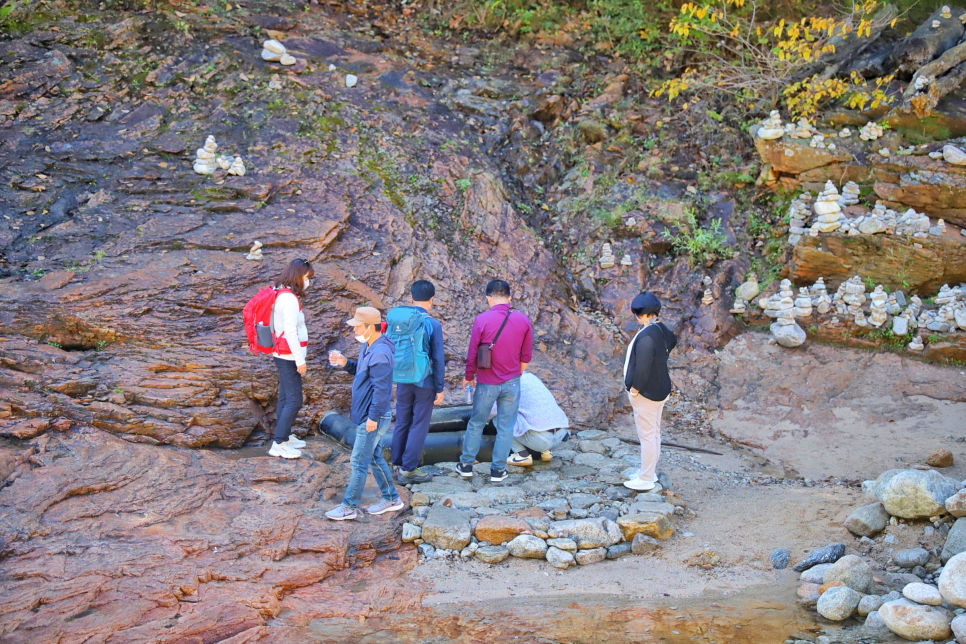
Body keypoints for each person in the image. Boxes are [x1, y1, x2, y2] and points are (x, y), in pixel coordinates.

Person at [325, 307, 404, 520]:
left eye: (357, 327)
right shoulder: (371, 345)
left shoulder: (380, 353)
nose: (354, 331)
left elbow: (382, 390)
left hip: (373, 417)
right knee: (374, 457)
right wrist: (345, 364)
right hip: (369, 415)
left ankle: (349, 507)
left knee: (359, 461)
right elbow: (362, 372)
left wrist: (372, 418)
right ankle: (391, 498)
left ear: (370, 327)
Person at [460, 280, 533, 482]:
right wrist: (513, 375)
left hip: (486, 383)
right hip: (512, 382)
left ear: (488, 298)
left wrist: (468, 377)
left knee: (476, 423)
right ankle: (497, 471)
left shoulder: (482, 319)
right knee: (505, 426)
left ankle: (466, 466)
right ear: (510, 298)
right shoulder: (523, 320)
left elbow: (472, 353)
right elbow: (526, 356)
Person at [388, 280, 446, 485]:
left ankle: (396, 462)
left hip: (402, 379)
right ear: (432, 300)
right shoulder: (432, 324)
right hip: (425, 381)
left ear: (411, 298)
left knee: (402, 421)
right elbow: (438, 358)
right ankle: (408, 470)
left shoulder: (400, 320)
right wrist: (440, 387)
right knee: (419, 424)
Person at [622, 292, 677, 491]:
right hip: (660, 388)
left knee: (647, 435)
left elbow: (642, 369)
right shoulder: (659, 329)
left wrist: (634, 390)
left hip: (646, 393)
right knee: (654, 433)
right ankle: (649, 472)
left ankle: (645, 478)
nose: (635, 317)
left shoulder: (646, 336)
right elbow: (673, 340)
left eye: (637, 313)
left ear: (642, 314)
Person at [268, 259, 315, 460]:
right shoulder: (288, 299)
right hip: (288, 355)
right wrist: (299, 360)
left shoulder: (281, 293)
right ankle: (278, 443)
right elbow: (290, 331)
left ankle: (285, 437)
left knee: (286, 397)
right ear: (298, 276)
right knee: (294, 399)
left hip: (283, 353)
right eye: (307, 278)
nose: (308, 282)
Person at [496, 372, 570, 467]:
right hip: (561, 436)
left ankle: (522, 455)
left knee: (499, 417)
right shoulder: (530, 377)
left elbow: (493, 410)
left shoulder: (507, 383)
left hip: (540, 440)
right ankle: (546, 453)